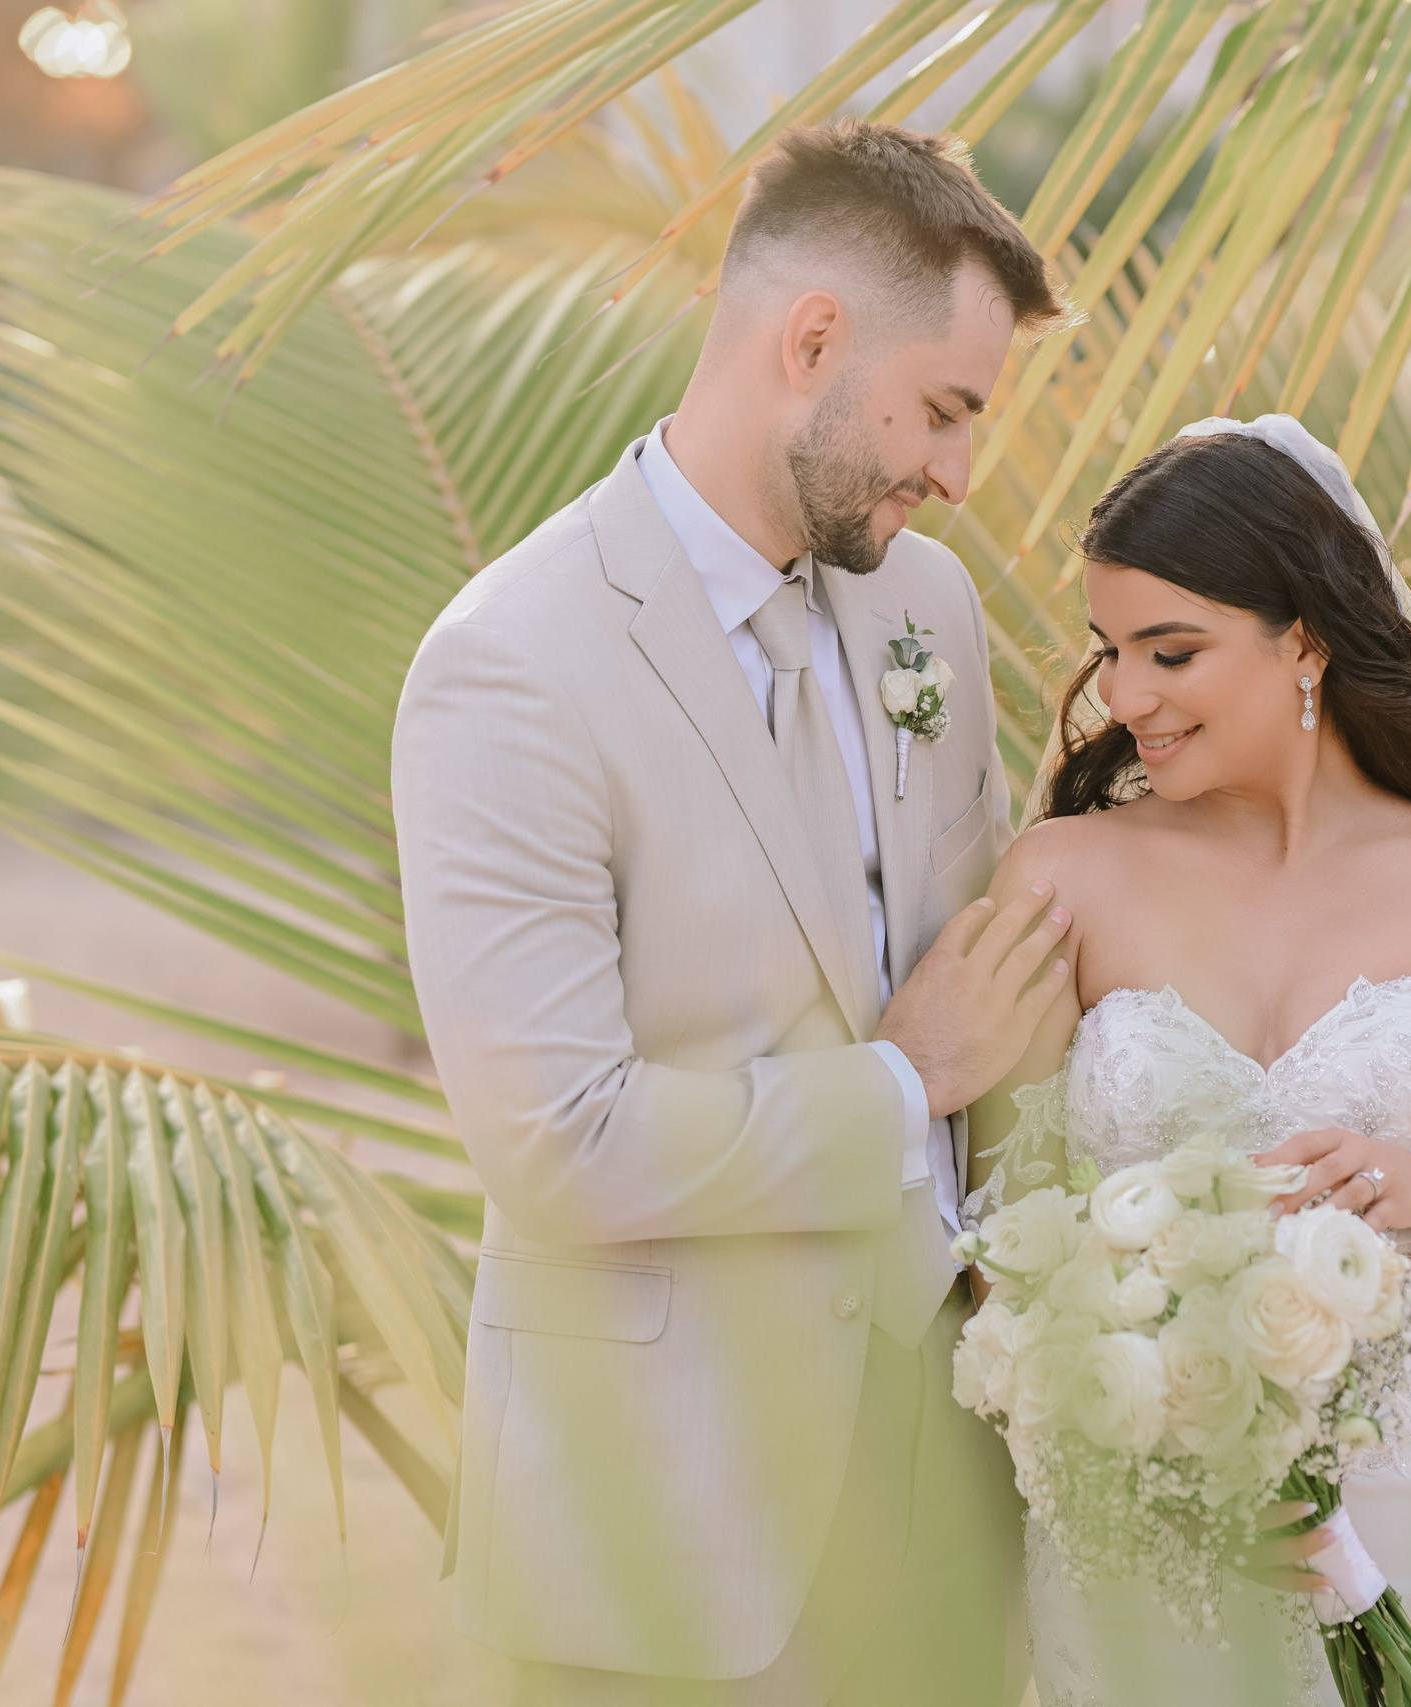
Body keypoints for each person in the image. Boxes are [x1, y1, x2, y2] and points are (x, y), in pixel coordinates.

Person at [391, 121, 1071, 1705]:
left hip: (954, 1479)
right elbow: (560, 1142)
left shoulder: (926, 607)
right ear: (812, 341)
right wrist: (902, 1082)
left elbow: (992, 969)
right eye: (945, 410)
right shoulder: (513, 665)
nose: (960, 477)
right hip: (668, 1525)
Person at [966, 416, 1411, 1702]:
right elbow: (991, 1251)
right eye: (1109, 652)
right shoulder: (1060, 881)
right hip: (1148, 1550)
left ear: (1303, 639)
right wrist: (1150, 1440)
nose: (1123, 697)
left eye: (1171, 652)